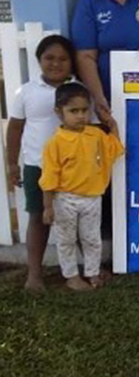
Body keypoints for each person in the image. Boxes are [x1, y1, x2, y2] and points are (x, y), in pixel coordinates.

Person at [5, 36, 77, 291]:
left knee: (76, 218)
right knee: (38, 218)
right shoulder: (27, 92)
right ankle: (34, 274)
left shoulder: (78, 90)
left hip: (73, 168)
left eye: (63, 59)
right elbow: (14, 129)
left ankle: (80, 270)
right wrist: (12, 164)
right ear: (39, 61)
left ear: (71, 62)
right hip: (38, 166)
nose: (56, 64)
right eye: (49, 58)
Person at [39, 83, 124, 291]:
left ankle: (93, 273)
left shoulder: (95, 135)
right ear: (59, 112)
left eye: (84, 110)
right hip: (65, 199)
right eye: (73, 111)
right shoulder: (55, 143)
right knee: (66, 239)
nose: (80, 116)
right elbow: (49, 177)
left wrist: (112, 125)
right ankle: (71, 276)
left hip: (93, 198)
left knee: (91, 238)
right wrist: (48, 206)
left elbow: (115, 149)